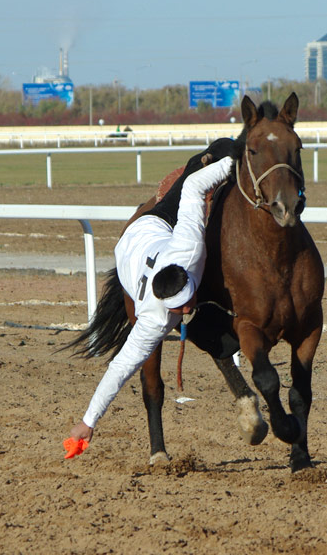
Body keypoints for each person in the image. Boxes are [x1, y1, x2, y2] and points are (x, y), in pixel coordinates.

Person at [69, 153, 234, 444]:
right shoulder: (153, 322)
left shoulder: (188, 248)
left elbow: (195, 186)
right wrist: (88, 421)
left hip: (152, 228)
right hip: (131, 246)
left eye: (187, 302)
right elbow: (119, 369)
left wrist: (235, 161)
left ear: (187, 277)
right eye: (179, 308)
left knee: (196, 167)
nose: (185, 310)